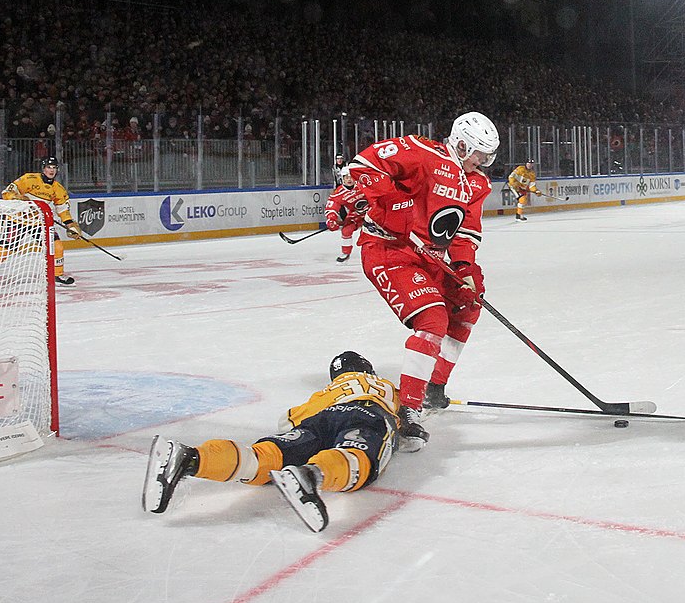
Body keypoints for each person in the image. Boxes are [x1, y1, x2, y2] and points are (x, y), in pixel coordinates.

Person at [343, 111, 497, 451]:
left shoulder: (476, 183)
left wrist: (465, 266)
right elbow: (361, 166)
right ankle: (408, 410)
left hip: (429, 256)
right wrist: (391, 201)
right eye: (479, 155)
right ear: (460, 143)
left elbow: (465, 232)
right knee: (432, 320)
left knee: (469, 304)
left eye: (488, 157)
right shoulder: (421, 152)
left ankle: (434, 387)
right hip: (388, 249)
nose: (483, 163)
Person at [143, 351, 401, 533]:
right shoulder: (386, 385)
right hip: (368, 415)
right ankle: (312, 475)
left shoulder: (329, 390)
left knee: (268, 456)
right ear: (368, 369)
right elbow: (411, 422)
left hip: (323, 417)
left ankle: (189, 457)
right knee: (359, 460)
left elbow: (288, 420)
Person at [0, 156, 80, 287]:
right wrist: (19, 199)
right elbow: (7, 192)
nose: (51, 170)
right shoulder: (29, 178)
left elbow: (62, 209)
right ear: (43, 168)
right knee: (3, 251)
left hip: (39, 223)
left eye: (54, 168)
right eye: (49, 167)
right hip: (17, 220)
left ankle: (57, 275)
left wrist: (70, 225)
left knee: (57, 247)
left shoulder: (58, 189)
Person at [324, 167, 363, 262]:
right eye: (346, 177)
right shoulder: (338, 193)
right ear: (342, 179)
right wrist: (331, 219)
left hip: (373, 211)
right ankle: (346, 253)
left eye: (351, 177)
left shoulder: (363, 185)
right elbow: (332, 206)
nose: (349, 179)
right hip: (356, 214)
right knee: (346, 230)